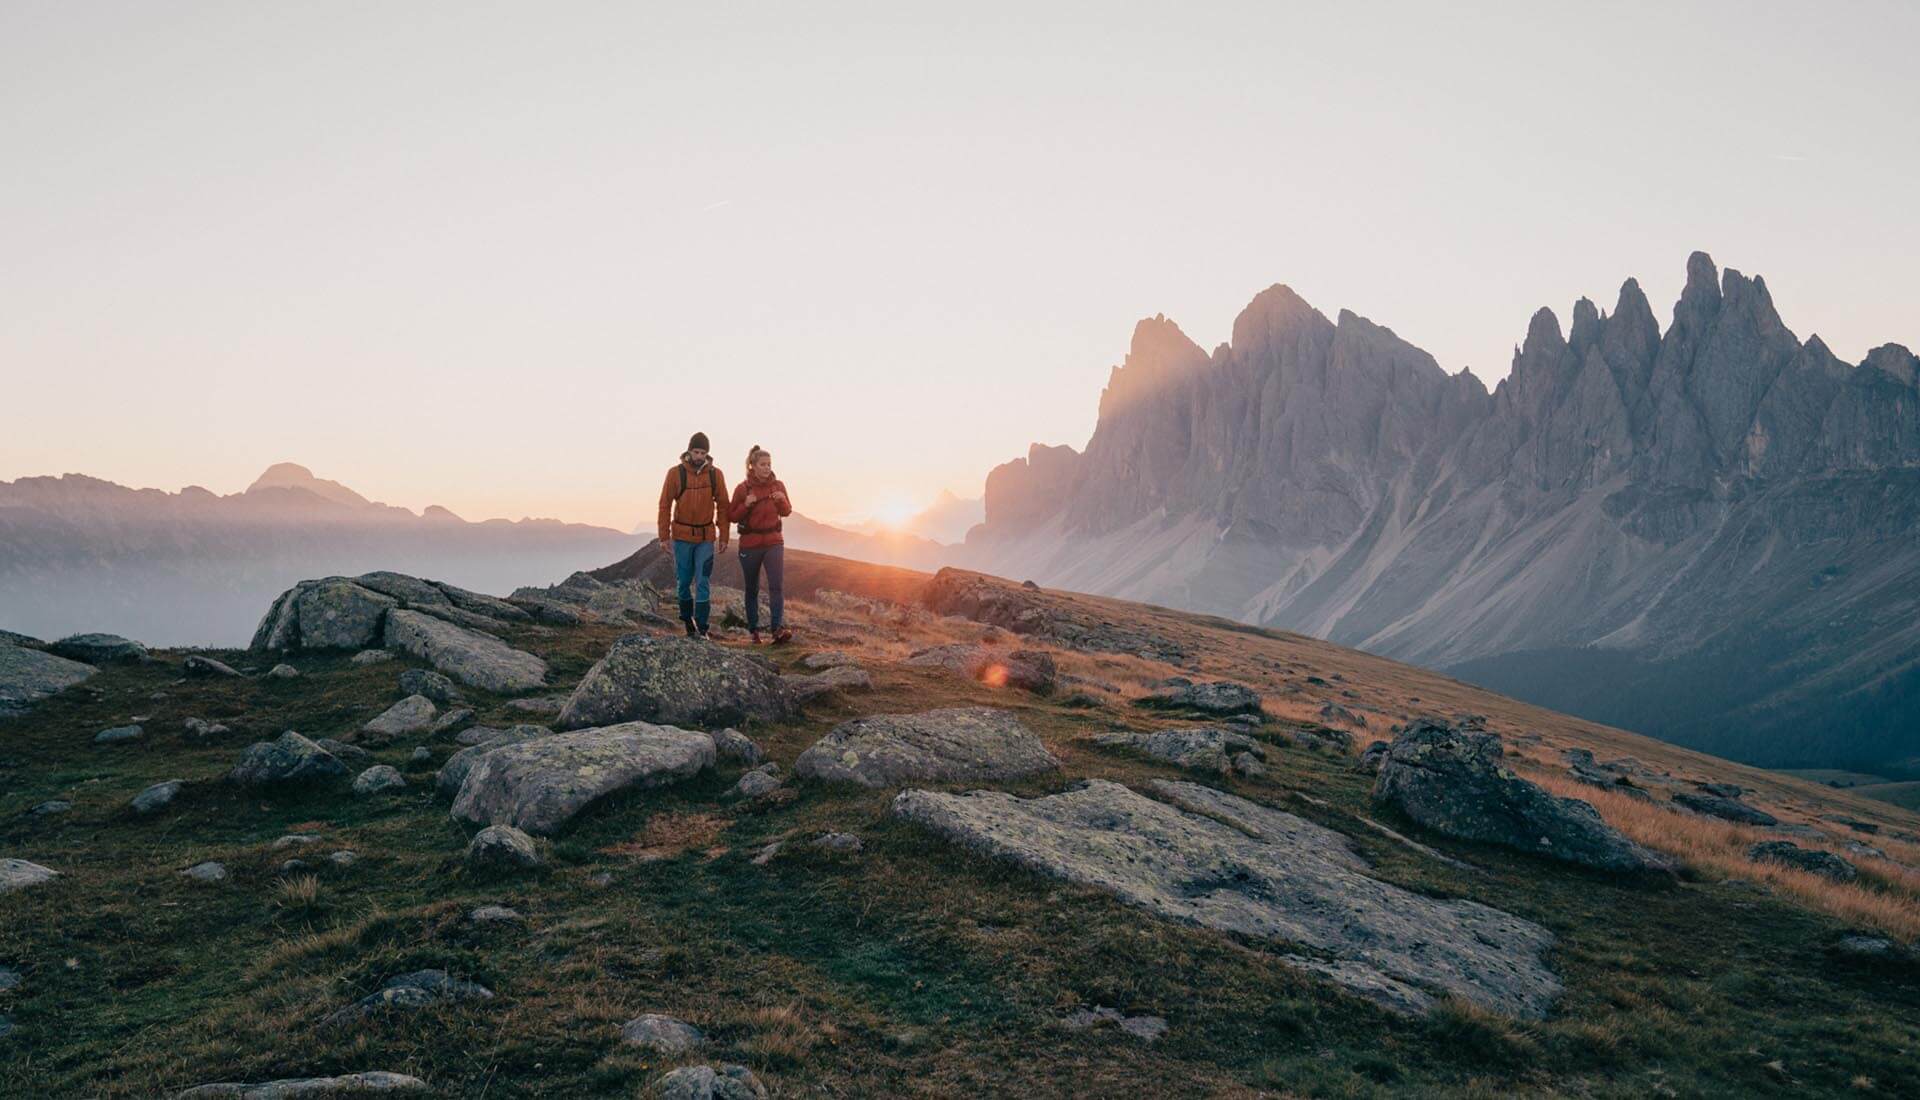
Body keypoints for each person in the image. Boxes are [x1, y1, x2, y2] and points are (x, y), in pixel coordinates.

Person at [657, 431, 729, 638]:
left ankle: (703, 628)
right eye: (696, 452)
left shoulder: (716, 475)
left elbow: (723, 506)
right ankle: (688, 620)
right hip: (681, 537)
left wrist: (724, 536)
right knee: (683, 582)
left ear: (708, 454)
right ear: (689, 451)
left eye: (703, 453)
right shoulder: (675, 473)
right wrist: (664, 536)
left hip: (706, 538)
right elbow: (664, 505)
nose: (699, 456)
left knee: (703, 581)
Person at [728, 444, 792, 644]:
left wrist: (782, 501)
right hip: (750, 544)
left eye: (769, 464)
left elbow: (787, 511)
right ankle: (754, 631)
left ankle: (777, 629)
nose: (767, 468)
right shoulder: (742, 488)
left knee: (776, 586)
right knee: (752, 588)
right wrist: (746, 505)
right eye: (763, 464)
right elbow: (731, 515)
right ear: (752, 466)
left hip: (774, 541)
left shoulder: (778, 485)